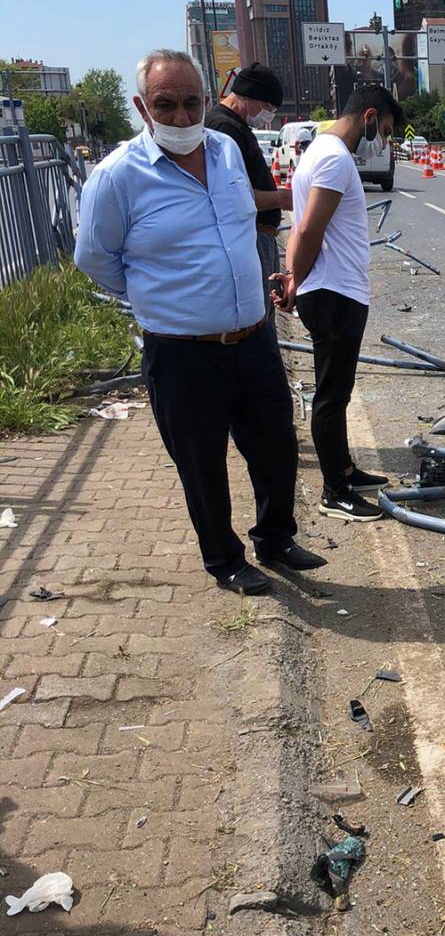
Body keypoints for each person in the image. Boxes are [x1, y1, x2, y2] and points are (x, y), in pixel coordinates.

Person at [74, 48, 324, 596]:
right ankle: (225, 560)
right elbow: (95, 258)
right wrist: (158, 296)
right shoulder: (117, 177)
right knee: (202, 463)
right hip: (183, 353)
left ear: (207, 100)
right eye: (167, 105)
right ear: (142, 106)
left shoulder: (229, 153)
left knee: (277, 449)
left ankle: (276, 539)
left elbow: (244, 226)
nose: (183, 118)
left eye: (192, 103)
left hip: (254, 340)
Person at [274, 84, 404, 522]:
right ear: (369, 116)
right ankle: (335, 491)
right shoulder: (333, 157)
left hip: (332, 289)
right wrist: (298, 281)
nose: (382, 141)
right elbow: (308, 230)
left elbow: (299, 228)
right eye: (383, 130)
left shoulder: (318, 152)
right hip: (333, 293)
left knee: (339, 392)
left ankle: (345, 469)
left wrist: (295, 278)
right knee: (331, 395)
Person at [204, 62, 292, 323]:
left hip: (257, 235)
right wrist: (281, 198)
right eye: (269, 108)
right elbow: (232, 197)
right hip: (249, 236)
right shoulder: (225, 128)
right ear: (252, 98)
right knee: (260, 315)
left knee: (265, 308)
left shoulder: (236, 125)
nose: (269, 115)